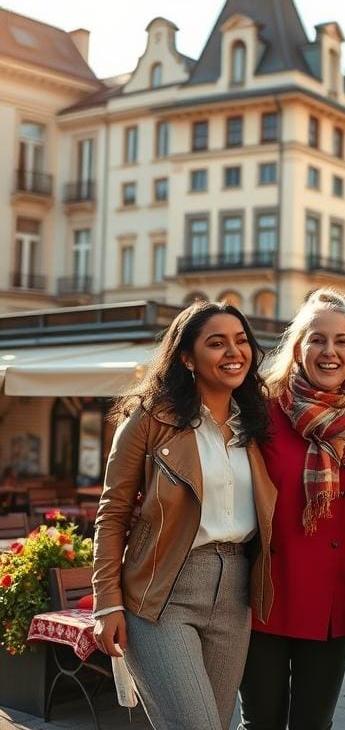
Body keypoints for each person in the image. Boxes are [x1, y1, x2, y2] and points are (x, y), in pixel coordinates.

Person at [92, 301, 276, 730]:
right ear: (187, 357)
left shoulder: (254, 422)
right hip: (162, 590)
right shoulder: (151, 418)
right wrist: (107, 603)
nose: (234, 352)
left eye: (241, 340)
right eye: (217, 343)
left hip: (235, 590)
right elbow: (113, 512)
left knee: (219, 722)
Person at [238, 289, 345, 730]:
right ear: (298, 348)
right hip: (266, 594)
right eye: (317, 339)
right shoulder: (261, 410)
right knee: (262, 723)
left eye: (341, 341)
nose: (329, 351)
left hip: (334, 599)